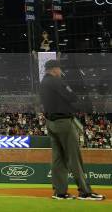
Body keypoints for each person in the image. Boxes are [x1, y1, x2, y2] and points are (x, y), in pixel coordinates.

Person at [39, 59, 105, 201]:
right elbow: (72, 97)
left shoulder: (43, 83)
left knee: (58, 159)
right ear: (54, 69)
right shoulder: (56, 81)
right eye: (59, 69)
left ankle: (59, 192)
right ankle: (85, 192)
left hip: (51, 123)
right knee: (74, 157)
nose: (60, 71)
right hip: (63, 122)